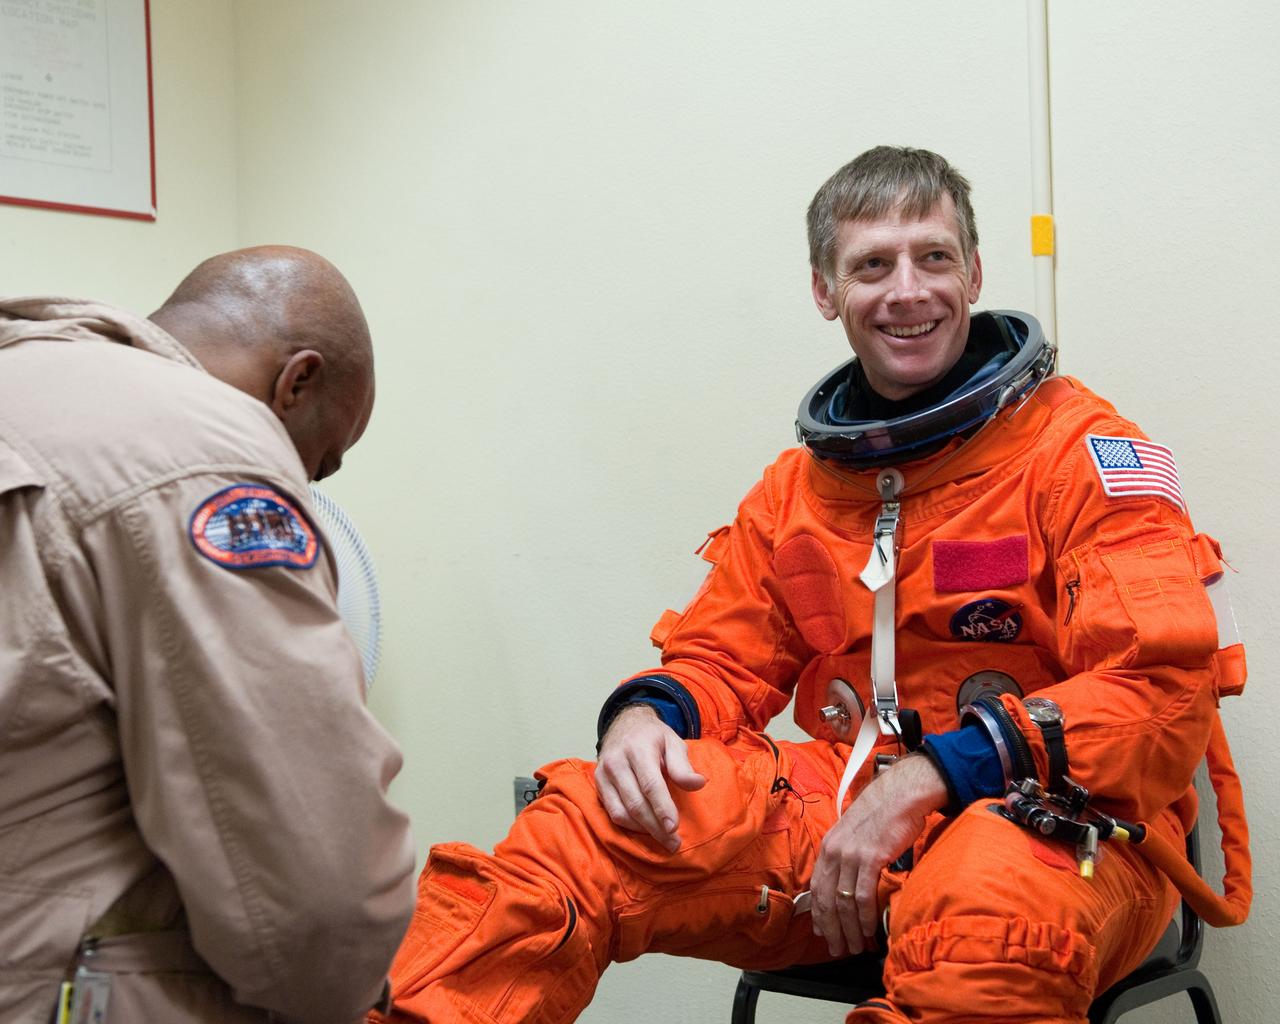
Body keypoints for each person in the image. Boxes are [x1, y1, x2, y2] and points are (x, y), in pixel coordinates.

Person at [378, 148, 1250, 1024]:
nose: (907, 291)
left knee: (988, 914)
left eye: (934, 257)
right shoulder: (799, 492)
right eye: (872, 265)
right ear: (825, 291)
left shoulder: (1079, 454)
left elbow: (1161, 691)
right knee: (581, 826)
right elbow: (723, 655)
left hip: (1059, 829)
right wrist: (648, 716)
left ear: (975, 272)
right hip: (848, 807)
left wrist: (936, 776)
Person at [0, 247, 416, 1023]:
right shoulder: (206, 455)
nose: (308, 485)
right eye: (321, 464)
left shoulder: (24, 382)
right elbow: (317, 902)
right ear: (297, 382)